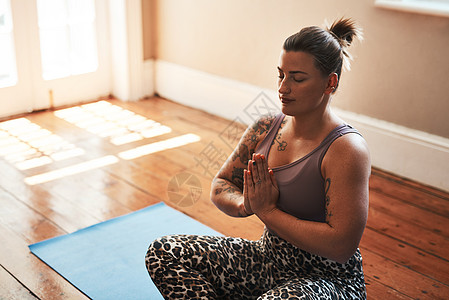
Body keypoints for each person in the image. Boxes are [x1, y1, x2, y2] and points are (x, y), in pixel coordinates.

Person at [146, 17, 370, 299]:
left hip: (327, 279)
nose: (283, 87)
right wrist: (245, 204)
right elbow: (222, 184)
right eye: (281, 75)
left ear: (330, 83)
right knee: (163, 253)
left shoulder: (346, 149)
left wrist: (268, 212)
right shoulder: (265, 128)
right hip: (266, 261)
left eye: (297, 78)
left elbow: (341, 246)